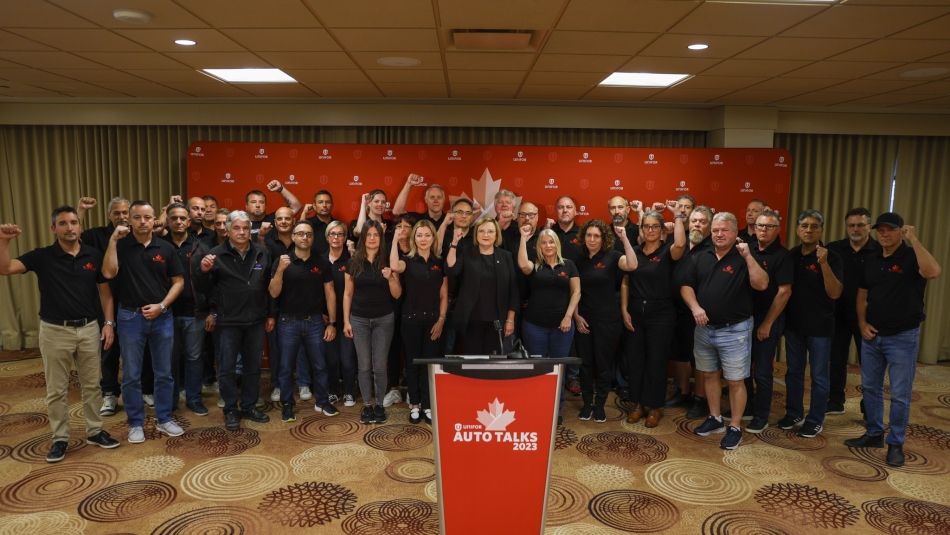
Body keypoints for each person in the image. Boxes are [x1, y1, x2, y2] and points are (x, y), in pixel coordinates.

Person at [0, 210, 120, 462]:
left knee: (91, 385)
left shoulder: (93, 255)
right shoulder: (43, 256)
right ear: (54, 228)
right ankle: (60, 438)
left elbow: (105, 293)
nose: (69, 227)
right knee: (57, 390)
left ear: (79, 225)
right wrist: (4, 241)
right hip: (55, 331)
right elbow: (6, 268)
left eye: (74, 222)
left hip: (89, 329)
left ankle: (95, 431)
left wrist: (108, 323)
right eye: (63, 223)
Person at [845, 212, 941, 467]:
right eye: (881, 230)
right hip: (872, 335)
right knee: (870, 388)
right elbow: (862, 295)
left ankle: (896, 442)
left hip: (902, 337)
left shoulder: (911, 256)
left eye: (890, 230)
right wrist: (862, 324)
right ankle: (874, 433)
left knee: (899, 394)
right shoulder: (872, 258)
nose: (885, 234)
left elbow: (933, 272)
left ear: (901, 231)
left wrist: (915, 241)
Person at [680, 212, 768, 450]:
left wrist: (748, 257)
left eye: (724, 230)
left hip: (735, 330)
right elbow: (686, 285)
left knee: (736, 380)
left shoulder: (744, 254)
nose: (719, 234)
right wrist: (695, 307)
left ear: (735, 232)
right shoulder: (701, 254)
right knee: (709, 374)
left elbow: (762, 284)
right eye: (716, 230)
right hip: (704, 328)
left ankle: (735, 426)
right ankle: (715, 418)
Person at [102, 200, 185, 443]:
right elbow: (107, 274)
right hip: (129, 317)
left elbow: (178, 281)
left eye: (147, 217)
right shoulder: (120, 246)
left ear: (154, 220)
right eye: (137, 217)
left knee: (164, 373)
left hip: (162, 317)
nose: (142, 222)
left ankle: (164, 418)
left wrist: (162, 306)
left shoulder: (165, 248)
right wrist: (112, 241)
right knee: (131, 375)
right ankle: (135, 423)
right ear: (130, 219)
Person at [196, 210, 274, 432]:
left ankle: (249, 405)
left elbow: (268, 288)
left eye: (246, 228)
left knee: (253, 367)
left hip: (255, 320)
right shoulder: (215, 254)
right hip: (228, 322)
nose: (242, 232)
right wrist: (202, 272)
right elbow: (203, 290)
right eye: (237, 228)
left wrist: (270, 314)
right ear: (228, 230)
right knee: (227, 368)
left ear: (251, 230)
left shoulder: (261, 253)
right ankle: (230, 408)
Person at [621, 209, 686, 428]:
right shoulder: (635, 252)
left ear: (661, 230)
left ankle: (655, 406)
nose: (650, 230)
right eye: (646, 226)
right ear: (641, 230)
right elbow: (625, 283)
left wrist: (677, 218)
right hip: (635, 312)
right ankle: (638, 404)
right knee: (635, 360)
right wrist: (624, 310)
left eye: (654, 226)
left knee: (657, 361)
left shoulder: (669, 251)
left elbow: (680, 245)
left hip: (662, 313)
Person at [269, 221, 338, 423]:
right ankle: (288, 405)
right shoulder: (283, 260)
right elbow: (273, 292)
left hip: (315, 322)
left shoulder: (321, 262)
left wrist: (332, 323)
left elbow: (330, 293)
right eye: (300, 234)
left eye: (308, 234)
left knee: (320, 365)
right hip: (287, 322)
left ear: (312, 238)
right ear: (293, 237)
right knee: (285, 366)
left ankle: (323, 402)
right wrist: (281, 270)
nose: (305, 237)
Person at [782, 209, 843, 439]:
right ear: (798, 229)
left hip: (820, 327)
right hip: (794, 325)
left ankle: (815, 419)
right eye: (804, 225)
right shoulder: (792, 255)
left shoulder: (832, 256)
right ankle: (794, 413)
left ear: (821, 230)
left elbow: (835, 293)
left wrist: (823, 263)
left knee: (819, 376)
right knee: (794, 372)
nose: (809, 230)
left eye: (814, 226)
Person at [574, 219, 637, 423]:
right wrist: (576, 316)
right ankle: (586, 404)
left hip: (608, 320)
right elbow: (574, 291)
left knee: (603, 364)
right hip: (583, 318)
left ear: (604, 238)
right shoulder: (578, 259)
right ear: (584, 237)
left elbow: (633, 264)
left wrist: (625, 238)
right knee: (585, 364)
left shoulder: (613, 257)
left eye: (596, 236)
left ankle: (599, 405)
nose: (592, 239)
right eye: (589, 235)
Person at [518, 227, 581, 420]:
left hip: (561, 328)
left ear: (557, 244)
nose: (548, 245)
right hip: (534, 327)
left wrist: (568, 316)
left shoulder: (568, 265)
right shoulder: (535, 265)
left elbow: (576, 292)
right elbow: (522, 265)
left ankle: (556, 411)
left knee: (558, 369)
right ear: (539, 246)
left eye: (551, 241)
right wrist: (523, 238)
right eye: (544, 242)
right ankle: (536, 408)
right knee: (537, 369)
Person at [343, 220, 402, 425]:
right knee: (364, 366)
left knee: (379, 366)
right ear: (363, 238)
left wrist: (391, 278)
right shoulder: (353, 261)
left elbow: (397, 294)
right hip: (358, 319)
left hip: (383, 319)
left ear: (381, 237)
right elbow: (347, 294)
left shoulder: (387, 261)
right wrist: (345, 321)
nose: (372, 238)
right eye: (368, 234)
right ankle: (367, 405)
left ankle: (379, 404)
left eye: (376, 234)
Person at [391, 219, 447, 424]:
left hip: (433, 321)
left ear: (433, 238)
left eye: (427, 235)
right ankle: (414, 404)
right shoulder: (408, 260)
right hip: (410, 320)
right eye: (419, 235)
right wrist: (395, 240)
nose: (423, 239)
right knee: (413, 363)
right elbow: (394, 265)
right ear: (414, 238)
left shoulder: (439, 262)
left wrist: (441, 319)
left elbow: (443, 294)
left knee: (429, 364)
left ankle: (428, 405)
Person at [77, 196, 129, 417]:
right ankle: (109, 393)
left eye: (125, 212)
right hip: (104, 300)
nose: (122, 216)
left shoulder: (138, 233)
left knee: (138, 350)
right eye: (116, 213)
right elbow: (74, 237)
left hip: (134, 301)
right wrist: (81, 211)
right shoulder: (97, 235)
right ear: (109, 215)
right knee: (108, 349)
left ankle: (145, 389)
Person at [827, 207, 880, 415]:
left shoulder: (879, 250)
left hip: (868, 318)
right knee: (836, 359)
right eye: (851, 225)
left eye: (860, 225)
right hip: (837, 314)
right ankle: (835, 400)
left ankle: (869, 405)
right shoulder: (834, 249)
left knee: (869, 365)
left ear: (869, 227)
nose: (855, 229)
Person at [745, 209, 793, 434]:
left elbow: (784, 292)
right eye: (760, 226)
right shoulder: (747, 249)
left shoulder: (783, 256)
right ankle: (746, 406)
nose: (763, 230)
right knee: (743, 368)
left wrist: (767, 324)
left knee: (762, 371)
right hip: (743, 318)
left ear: (777, 229)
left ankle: (761, 415)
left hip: (768, 320)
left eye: (769, 226)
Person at [161, 203, 210, 417]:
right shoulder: (159, 246)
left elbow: (211, 282)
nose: (179, 222)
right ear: (169, 221)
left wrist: (211, 310)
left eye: (183, 218)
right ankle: (170, 401)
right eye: (175, 218)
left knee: (194, 358)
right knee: (169, 360)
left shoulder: (200, 247)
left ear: (189, 222)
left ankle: (194, 399)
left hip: (194, 312)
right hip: (166, 313)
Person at [446, 217, 519, 355]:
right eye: (482, 231)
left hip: (498, 322)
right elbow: (451, 269)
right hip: (470, 321)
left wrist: (510, 319)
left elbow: (513, 291)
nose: (486, 235)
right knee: (471, 363)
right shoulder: (466, 252)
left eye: (490, 231)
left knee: (493, 365)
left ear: (496, 234)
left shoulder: (506, 256)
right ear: (476, 234)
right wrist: (454, 242)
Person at [672, 206, 714, 418]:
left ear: (710, 225)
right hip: (678, 309)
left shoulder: (712, 248)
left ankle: (700, 399)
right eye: (694, 220)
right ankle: (683, 392)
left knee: (700, 359)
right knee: (680, 354)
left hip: (700, 312)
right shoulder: (682, 242)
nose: (697, 224)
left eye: (702, 221)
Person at [263, 206, 296, 403]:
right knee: (276, 350)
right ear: (275, 222)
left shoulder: (302, 241)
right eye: (280, 219)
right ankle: (277, 384)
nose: (283, 222)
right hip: (275, 304)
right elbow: (265, 280)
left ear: (293, 221)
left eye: (287, 218)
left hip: (298, 304)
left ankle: (301, 383)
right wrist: (270, 313)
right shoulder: (267, 243)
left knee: (299, 350)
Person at [323, 221, 358, 407]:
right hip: (326, 318)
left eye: (340, 234)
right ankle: (333, 390)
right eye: (332, 234)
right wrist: (323, 314)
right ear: (327, 237)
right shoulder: (320, 259)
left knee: (347, 357)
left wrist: (347, 319)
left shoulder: (351, 260)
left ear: (345, 238)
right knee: (331, 357)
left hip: (348, 316)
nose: (336, 238)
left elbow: (353, 291)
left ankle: (350, 391)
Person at [382, 215, 415, 408]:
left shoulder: (417, 249)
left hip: (413, 305)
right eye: (399, 226)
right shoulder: (387, 250)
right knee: (392, 347)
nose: (402, 229)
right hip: (391, 304)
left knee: (411, 348)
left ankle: (412, 389)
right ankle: (393, 388)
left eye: (406, 226)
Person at [303, 189, 335, 254]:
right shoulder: (308, 224)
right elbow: (300, 234)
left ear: (332, 205)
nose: (324, 205)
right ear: (314, 206)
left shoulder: (338, 225)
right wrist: (304, 213)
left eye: (328, 202)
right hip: (312, 262)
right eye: (320, 202)